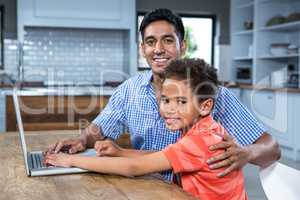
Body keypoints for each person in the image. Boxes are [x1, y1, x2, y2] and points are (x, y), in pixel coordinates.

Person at [45, 8, 280, 181]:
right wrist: (82, 140)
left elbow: (272, 149)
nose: (158, 49)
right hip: (144, 189)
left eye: (168, 40)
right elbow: (102, 128)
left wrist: (247, 153)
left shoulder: (213, 95)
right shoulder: (129, 89)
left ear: (183, 46)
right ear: (142, 49)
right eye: (150, 42)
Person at [45, 58, 248, 200]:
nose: (169, 109)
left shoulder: (200, 139)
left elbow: (134, 168)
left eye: (181, 101)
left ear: (205, 106)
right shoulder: (204, 128)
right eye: (166, 100)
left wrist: (70, 160)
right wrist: (120, 152)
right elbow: (165, 156)